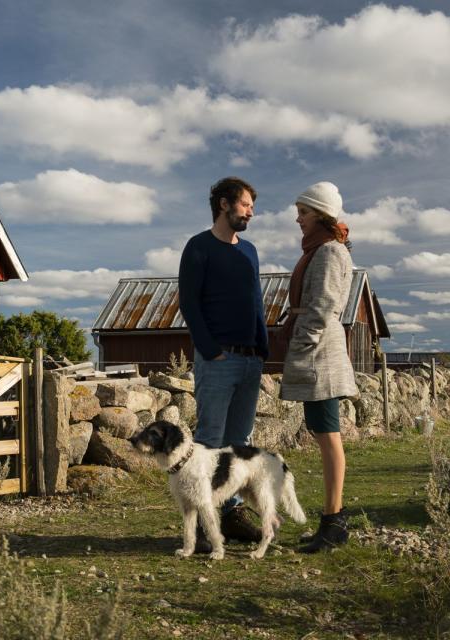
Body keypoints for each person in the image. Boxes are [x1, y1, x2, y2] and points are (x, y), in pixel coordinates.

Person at [178, 176, 269, 552]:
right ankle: (199, 525)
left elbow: (256, 301)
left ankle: (229, 513)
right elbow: (189, 302)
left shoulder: (249, 251)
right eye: (246, 204)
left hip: (250, 360)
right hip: (218, 360)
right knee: (209, 442)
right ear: (224, 205)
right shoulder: (198, 248)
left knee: (239, 445)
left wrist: (262, 348)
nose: (251, 211)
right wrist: (209, 349)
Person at [280, 181, 357, 553]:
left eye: (304, 212)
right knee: (323, 432)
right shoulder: (322, 249)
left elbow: (324, 306)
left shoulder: (328, 252)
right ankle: (332, 519)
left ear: (322, 214)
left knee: (328, 436)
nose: (298, 218)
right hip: (317, 352)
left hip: (320, 356)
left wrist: (303, 342)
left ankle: (333, 521)